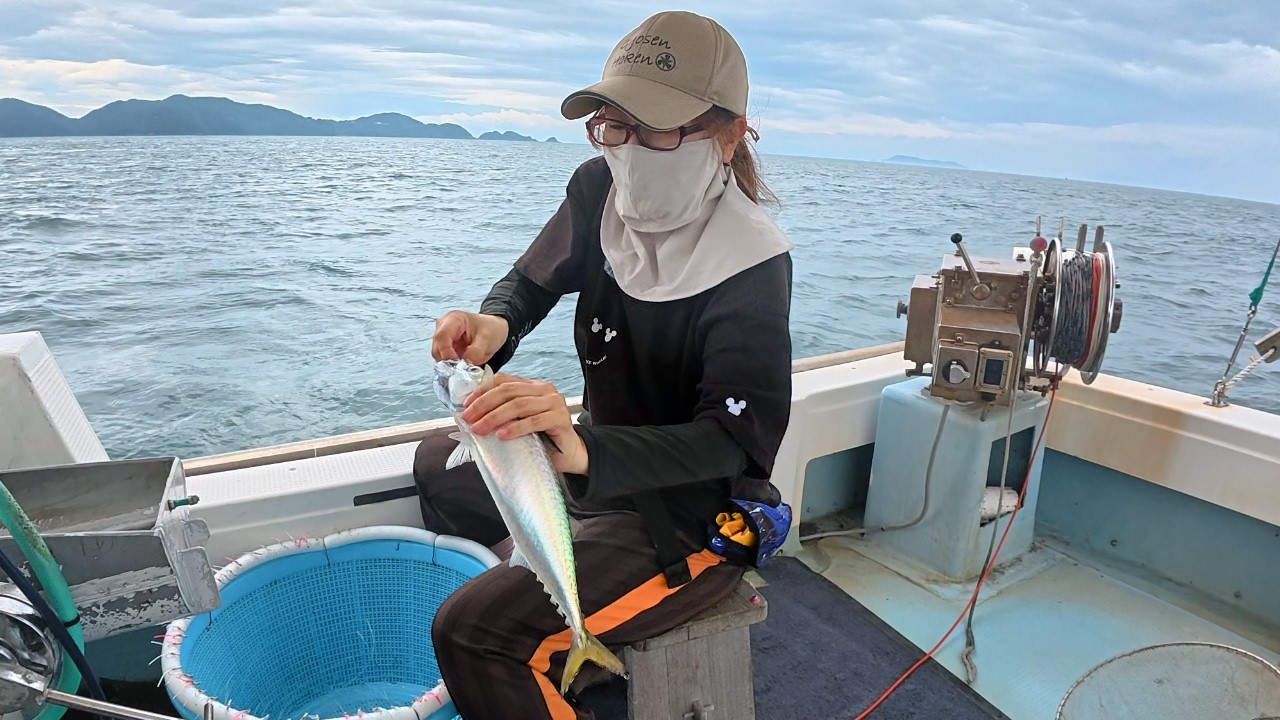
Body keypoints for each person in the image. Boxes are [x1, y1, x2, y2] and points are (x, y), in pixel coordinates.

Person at [416, 9, 794, 719]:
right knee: (438, 463)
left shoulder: (752, 262)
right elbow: (529, 284)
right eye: (614, 124)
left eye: (658, 129)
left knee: (469, 632)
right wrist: (492, 324)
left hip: (691, 518)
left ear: (730, 132)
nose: (630, 150)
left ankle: (541, 624)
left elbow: (732, 441)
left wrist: (582, 445)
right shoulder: (598, 190)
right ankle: (553, 605)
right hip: (590, 471)